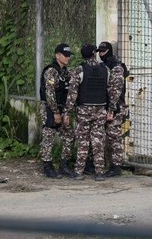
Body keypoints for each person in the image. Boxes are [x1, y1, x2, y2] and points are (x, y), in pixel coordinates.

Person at [64, 44, 117, 181]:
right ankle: (99, 172)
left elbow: (72, 94)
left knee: (83, 141)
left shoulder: (79, 70)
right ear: (95, 53)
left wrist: (67, 112)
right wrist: (111, 110)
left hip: (84, 111)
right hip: (100, 109)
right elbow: (111, 92)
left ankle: (79, 171)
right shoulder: (105, 70)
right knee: (98, 140)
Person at [39, 43, 76, 179]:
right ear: (57, 56)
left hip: (61, 109)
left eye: (69, 56)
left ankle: (64, 165)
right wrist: (55, 112)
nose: (68, 58)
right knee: (48, 137)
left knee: (69, 136)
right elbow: (49, 94)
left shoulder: (65, 72)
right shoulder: (51, 71)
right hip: (50, 109)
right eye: (65, 56)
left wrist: (66, 113)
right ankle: (47, 166)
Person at [97, 41, 129, 177]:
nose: (101, 54)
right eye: (99, 51)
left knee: (114, 138)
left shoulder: (116, 67)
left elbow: (116, 91)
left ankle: (116, 167)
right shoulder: (105, 66)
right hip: (109, 106)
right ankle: (111, 165)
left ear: (109, 51)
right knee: (108, 137)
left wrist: (111, 109)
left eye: (103, 51)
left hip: (115, 107)